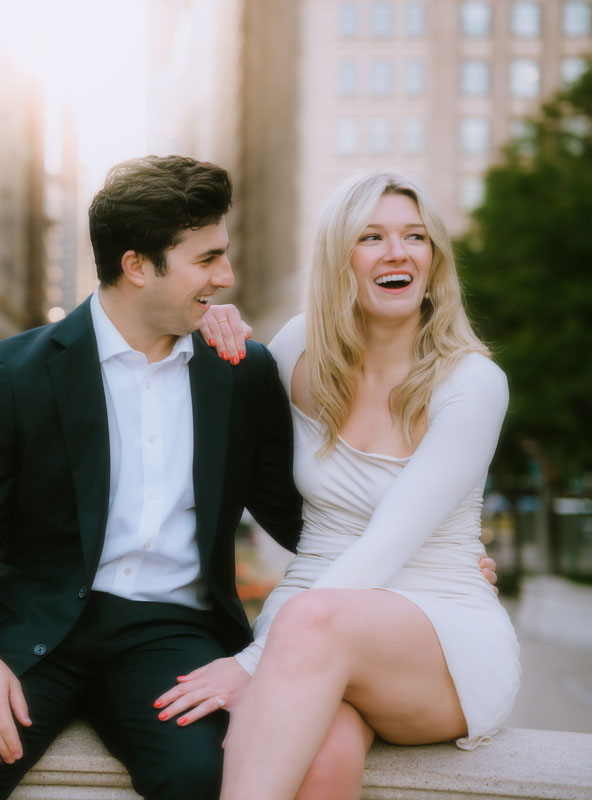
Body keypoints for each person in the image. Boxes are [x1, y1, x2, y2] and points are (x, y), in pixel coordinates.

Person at [0, 155, 304, 799]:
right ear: (137, 266)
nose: (226, 277)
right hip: (29, 627)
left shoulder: (241, 372)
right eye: (206, 259)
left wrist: (428, 553)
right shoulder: (18, 372)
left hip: (170, 634)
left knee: (203, 778)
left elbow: (297, 518)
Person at [157, 172, 519, 800]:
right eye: (371, 237)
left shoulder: (473, 382)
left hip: (440, 638)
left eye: (415, 236)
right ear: (338, 258)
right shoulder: (299, 349)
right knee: (320, 764)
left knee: (312, 623)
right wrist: (214, 321)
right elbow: (220, 419)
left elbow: (389, 541)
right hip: (313, 626)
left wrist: (251, 662)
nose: (397, 252)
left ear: (434, 260)